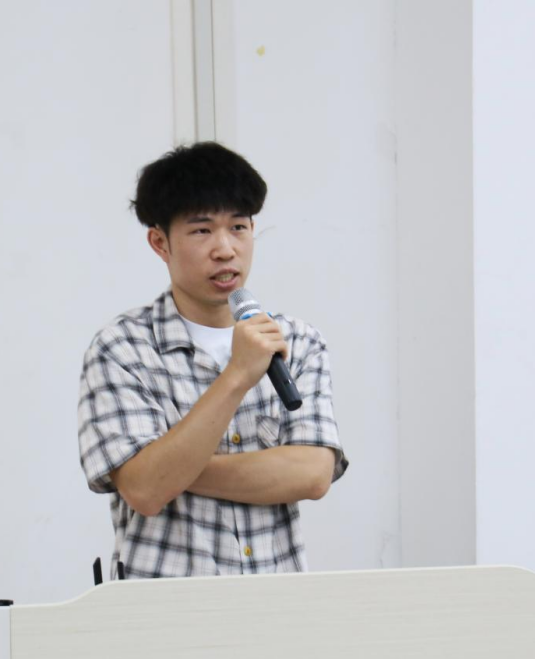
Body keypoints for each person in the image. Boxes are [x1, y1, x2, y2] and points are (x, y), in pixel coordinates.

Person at [77, 142, 348, 579]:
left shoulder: (298, 340)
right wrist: (238, 374)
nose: (225, 249)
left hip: (275, 603)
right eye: (202, 231)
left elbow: (313, 474)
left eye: (238, 227)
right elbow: (146, 493)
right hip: (165, 607)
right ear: (160, 242)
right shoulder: (121, 349)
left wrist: (172, 469)